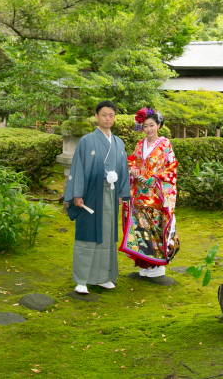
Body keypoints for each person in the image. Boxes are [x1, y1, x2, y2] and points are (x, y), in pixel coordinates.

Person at [64, 100, 131, 294]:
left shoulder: (118, 143)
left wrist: (121, 193)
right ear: (96, 116)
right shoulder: (86, 141)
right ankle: (81, 280)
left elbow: (123, 169)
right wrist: (77, 194)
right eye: (103, 115)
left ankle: (102, 277)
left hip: (111, 193)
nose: (107, 119)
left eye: (111, 115)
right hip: (91, 193)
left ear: (115, 118)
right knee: (87, 234)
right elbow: (78, 167)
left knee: (107, 235)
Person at [120, 108, 179, 278]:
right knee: (141, 229)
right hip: (140, 193)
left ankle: (158, 264)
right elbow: (131, 160)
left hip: (157, 195)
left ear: (159, 125)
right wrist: (133, 169)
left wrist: (157, 178)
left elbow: (172, 166)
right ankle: (145, 264)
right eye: (145, 126)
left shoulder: (165, 144)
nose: (148, 129)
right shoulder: (140, 144)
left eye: (152, 125)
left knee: (155, 228)